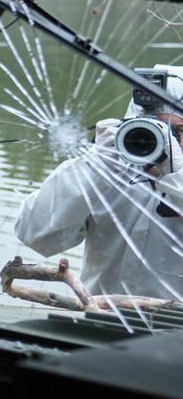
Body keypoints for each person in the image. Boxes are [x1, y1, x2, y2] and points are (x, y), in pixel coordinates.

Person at [16, 66, 183, 300]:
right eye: (155, 127)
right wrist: (95, 166)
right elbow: (33, 234)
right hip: (97, 324)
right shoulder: (106, 172)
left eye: (179, 130)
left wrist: (175, 175)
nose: (167, 140)